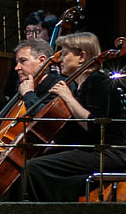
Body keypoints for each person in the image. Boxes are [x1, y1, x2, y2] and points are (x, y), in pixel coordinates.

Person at [24, 32, 126, 201]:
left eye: (64, 54)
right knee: (34, 162)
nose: (59, 59)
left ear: (82, 57)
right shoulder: (79, 86)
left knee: (34, 168)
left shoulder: (98, 81)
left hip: (109, 151)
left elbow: (95, 126)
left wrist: (68, 98)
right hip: (91, 149)